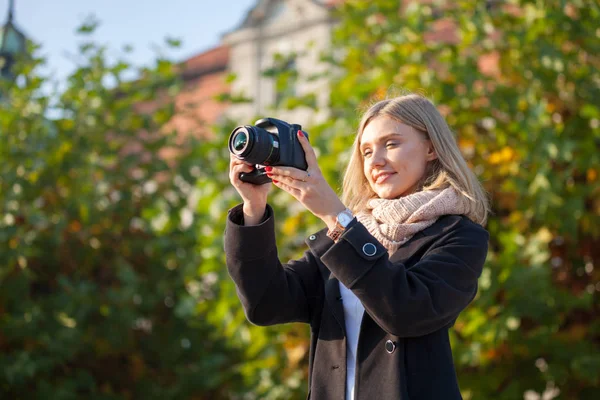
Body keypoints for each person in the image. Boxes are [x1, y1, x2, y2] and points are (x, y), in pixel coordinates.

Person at [225, 93, 490, 400]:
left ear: (431, 147)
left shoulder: (459, 235)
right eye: (366, 151)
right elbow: (266, 303)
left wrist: (336, 218)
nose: (375, 161)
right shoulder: (348, 234)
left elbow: (405, 311)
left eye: (391, 144)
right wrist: (253, 206)